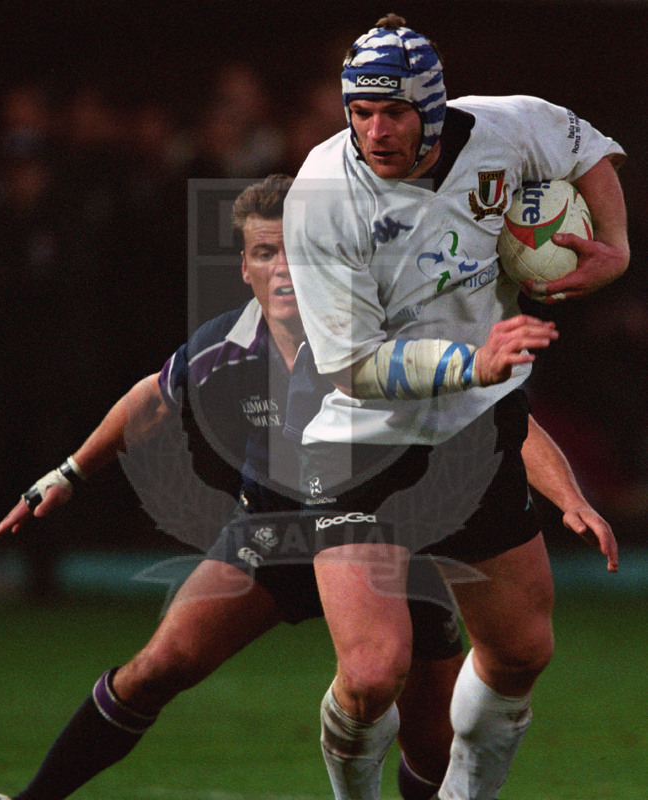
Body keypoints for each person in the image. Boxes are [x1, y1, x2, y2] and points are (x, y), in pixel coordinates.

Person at [0, 174, 616, 800]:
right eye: (265, 253)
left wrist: (571, 498)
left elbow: (498, 413)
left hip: (385, 539)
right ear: (244, 269)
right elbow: (149, 401)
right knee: (158, 666)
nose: (284, 269)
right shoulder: (222, 347)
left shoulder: (387, 331)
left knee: (428, 739)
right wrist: (67, 474)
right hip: (277, 531)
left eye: (298, 251)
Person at [282, 14, 626, 800]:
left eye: (394, 111)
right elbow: (351, 364)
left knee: (521, 655)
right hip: (359, 447)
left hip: (473, 435)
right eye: (361, 112)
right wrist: (472, 360)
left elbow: (584, 146)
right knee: (372, 676)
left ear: (432, 108)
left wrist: (616, 243)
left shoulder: (508, 127)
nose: (375, 129)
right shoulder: (323, 194)